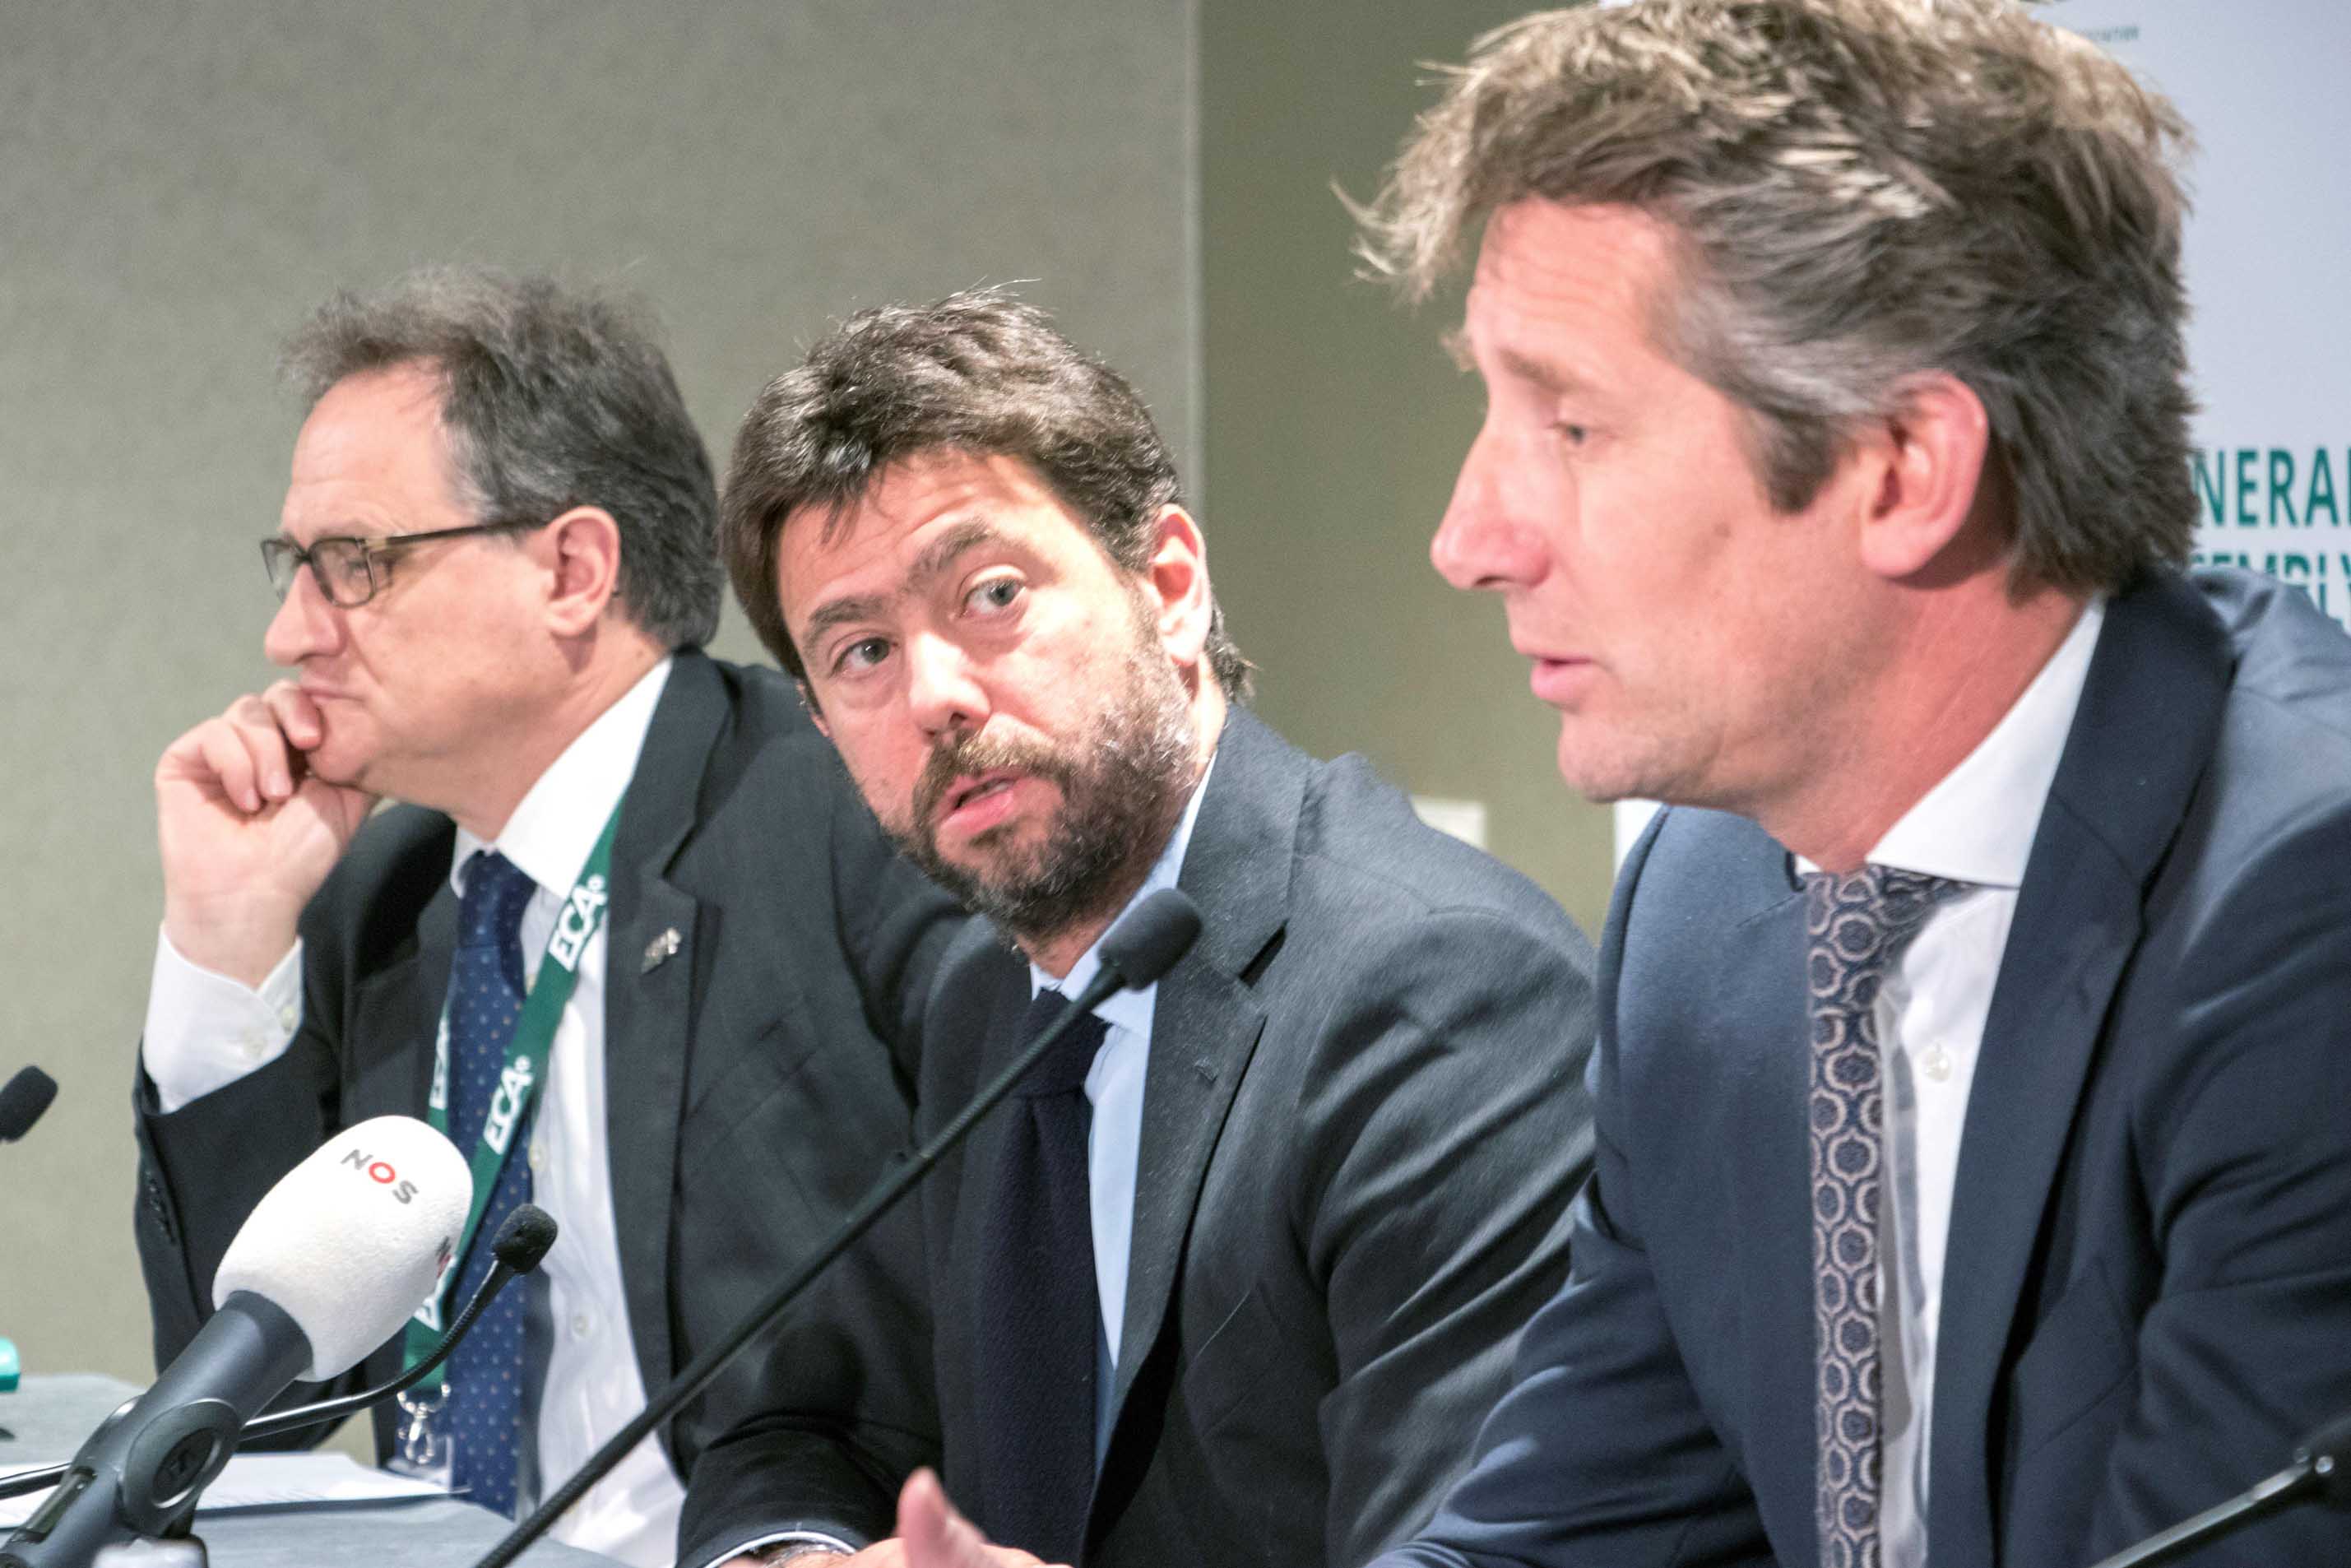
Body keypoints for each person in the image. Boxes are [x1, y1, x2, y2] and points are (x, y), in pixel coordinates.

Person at [1360, 2, 2351, 1566]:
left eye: (1568, 422)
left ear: (1901, 466)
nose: (1467, 536)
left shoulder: (2307, 913)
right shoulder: (1702, 899)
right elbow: (1565, 1532)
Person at [677, 290, 1599, 1568]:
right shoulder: (990, 1006)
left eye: (991, 593)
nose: (936, 693)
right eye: (863, 652)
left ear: (1167, 585)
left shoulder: (1433, 993)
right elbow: (800, 1424)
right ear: (821, 727)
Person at [132, 267, 962, 1567]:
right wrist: (229, 940)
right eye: (295, 566)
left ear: (573, 568)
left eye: (353, 562)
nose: (288, 628)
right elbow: (250, 1414)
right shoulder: (384, 897)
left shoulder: (847, 816)